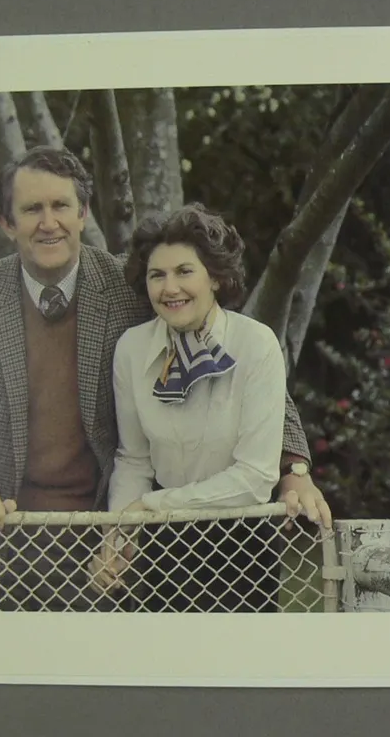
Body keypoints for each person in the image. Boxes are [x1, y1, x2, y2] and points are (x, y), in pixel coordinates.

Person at [0, 145, 320, 611]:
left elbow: (233, 352)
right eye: (31, 209)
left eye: (61, 206)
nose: (48, 222)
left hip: (101, 534)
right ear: (6, 223)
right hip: (1, 534)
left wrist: (293, 467)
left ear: (82, 214)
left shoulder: (132, 284)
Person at [89, 203, 334, 612]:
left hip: (241, 542)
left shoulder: (255, 345)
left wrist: (151, 507)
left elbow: (256, 477)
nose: (170, 288)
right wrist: (118, 539)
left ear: (216, 277)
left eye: (185, 271)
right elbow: (133, 459)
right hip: (161, 544)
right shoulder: (132, 349)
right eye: (157, 275)